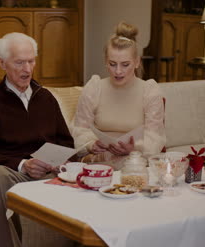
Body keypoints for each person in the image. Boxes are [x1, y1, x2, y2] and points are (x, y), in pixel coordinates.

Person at [0, 32, 74, 247]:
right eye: (19, 62)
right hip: (16, 174)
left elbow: (66, 142)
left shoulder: (45, 97)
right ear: (2, 63)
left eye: (31, 61)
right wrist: (24, 165)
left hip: (50, 172)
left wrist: (60, 161)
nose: (27, 69)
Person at [71, 22, 166, 169]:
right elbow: (80, 129)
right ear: (105, 62)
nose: (118, 71)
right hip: (99, 159)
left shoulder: (149, 90)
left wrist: (134, 148)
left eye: (125, 64)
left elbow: (155, 136)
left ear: (137, 62)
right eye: (112, 64)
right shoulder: (94, 87)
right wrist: (91, 144)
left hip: (135, 159)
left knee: (132, 166)